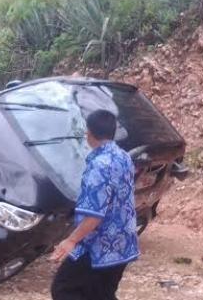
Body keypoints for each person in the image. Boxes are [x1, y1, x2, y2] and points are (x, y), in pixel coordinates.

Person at [50, 110, 139, 300]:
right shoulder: (124, 156)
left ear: (89, 133)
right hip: (123, 241)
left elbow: (94, 216)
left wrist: (71, 241)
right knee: (102, 293)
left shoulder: (99, 166)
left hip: (101, 245)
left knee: (64, 288)